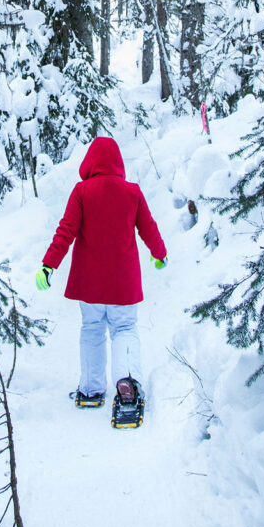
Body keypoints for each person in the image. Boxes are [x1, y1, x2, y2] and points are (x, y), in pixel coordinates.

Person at [35, 136, 167, 414]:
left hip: (90, 284)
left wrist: (49, 265)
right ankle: (127, 382)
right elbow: (148, 227)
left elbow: (66, 230)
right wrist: (159, 253)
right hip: (123, 283)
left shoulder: (82, 191)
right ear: (117, 162)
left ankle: (91, 388)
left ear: (90, 162)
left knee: (92, 329)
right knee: (124, 329)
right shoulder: (132, 192)